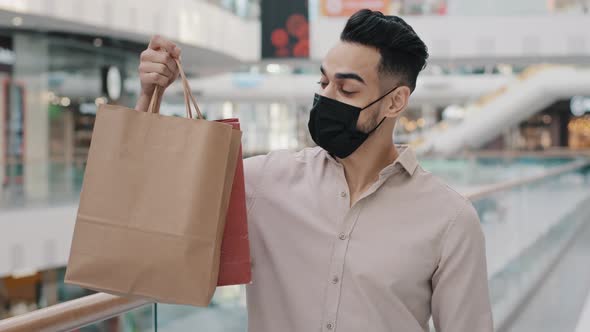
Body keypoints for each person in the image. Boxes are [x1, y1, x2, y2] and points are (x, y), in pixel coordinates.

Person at [135, 9, 493, 332]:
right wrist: (148, 99)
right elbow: (156, 205)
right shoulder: (264, 182)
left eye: (347, 88)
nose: (327, 99)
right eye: (324, 83)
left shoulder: (449, 220)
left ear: (395, 102)